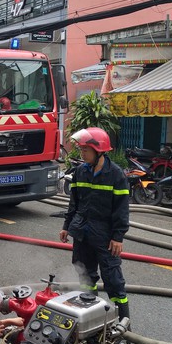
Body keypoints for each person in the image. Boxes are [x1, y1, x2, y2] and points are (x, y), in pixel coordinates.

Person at [59, 127, 131, 322]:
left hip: (105, 236)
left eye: (85, 150)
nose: (82, 154)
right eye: (81, 150)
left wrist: (117, 237)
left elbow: (122, 209)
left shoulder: (116, 175)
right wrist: (67, 226)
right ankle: (95, 318)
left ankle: (123, 325)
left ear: (100, 151)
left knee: (113, 281)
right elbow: (74, 203)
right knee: (85, 275)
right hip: (82, 232)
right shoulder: (80, 172)